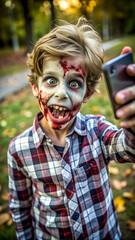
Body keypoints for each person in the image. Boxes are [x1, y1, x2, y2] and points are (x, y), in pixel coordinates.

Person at [7, 17, 135, 240]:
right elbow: (20, 208)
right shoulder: (18, 150)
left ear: (86, 94)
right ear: (35, 87)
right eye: (50, 81)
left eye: (74, 83)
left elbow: (128, 148)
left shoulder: (98, 131)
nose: (62, 93)